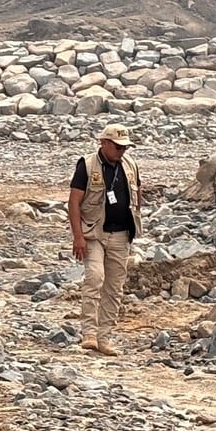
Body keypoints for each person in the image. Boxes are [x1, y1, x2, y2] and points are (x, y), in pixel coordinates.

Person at [67, 123, 146, 357]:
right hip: (94, 233)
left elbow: (138, 191)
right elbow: (74, 202)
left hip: (121, 235)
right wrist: (78, 237)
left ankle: (104, 338)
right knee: (95, 277)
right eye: (118, 147)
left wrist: (136, 217)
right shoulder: (87, 166)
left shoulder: (130, 165)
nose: (122, 151)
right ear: (104, 143)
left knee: (114, 288)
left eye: (125, 147)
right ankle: (89, 334)